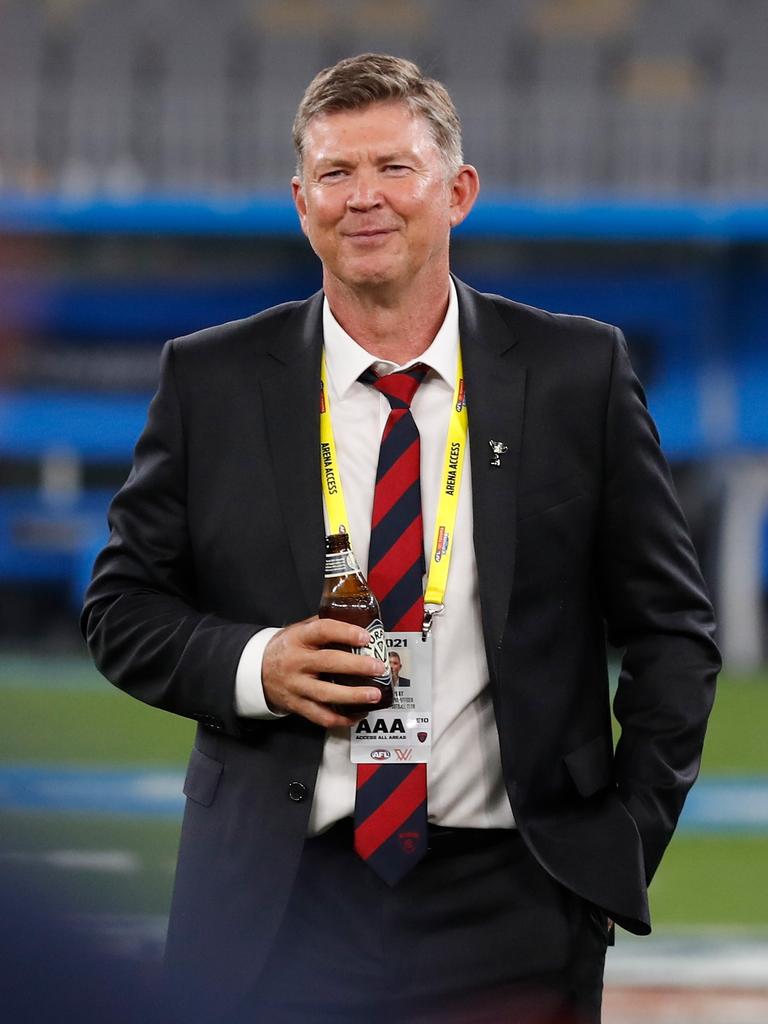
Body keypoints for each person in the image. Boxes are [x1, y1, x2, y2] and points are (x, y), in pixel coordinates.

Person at [82, 53, 720, 1023]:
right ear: (301, 203)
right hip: (277, 898)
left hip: (514, 896)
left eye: (394, 168)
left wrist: (619, 841)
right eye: (336, 174)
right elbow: (121, 610)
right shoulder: (211, 381)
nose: (363, 199)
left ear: (457, 191)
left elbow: (672, 632)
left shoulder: (574, 373)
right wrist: (259, 665)